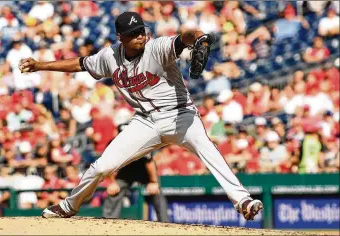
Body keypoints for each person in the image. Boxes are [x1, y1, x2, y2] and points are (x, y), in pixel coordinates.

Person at [19, 11, 263, 221]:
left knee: (211, 153)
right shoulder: (109, 57)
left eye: (142, 30)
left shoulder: (156, 48)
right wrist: (41, 65)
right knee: (102, 166)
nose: (141, 36)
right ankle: (69, 205)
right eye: (134, 33)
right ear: (120, 37)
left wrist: (199, 37)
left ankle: (243, 201)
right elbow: (80, 64)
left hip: (181, 116)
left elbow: (185, 37)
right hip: (146, 121)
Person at [103, 123, 169, 222]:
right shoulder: (113, 145)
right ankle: (107, 223)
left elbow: (149, 163)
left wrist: (153, 182)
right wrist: (112, 183)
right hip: (126, 171)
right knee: (114, 191)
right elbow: (107, 164)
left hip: (144, 171)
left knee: (157, 192)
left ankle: (165, 224)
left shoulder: (141, 143)